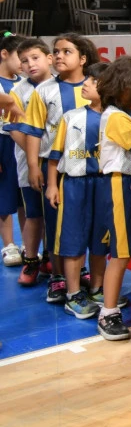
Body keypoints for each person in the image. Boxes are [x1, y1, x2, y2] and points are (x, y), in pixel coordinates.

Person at [16, 34, 100, 304]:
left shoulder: (97, 88)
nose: (60, 56)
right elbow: (34, 131)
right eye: (57, 51)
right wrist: (32, 165)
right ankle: (57, 276)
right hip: (53, 168)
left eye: (67, 51)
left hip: (91, 168)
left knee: (86, 223)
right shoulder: (45, 90)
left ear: (83, 58)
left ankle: (80, 270)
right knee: (55, 225)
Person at [46, 62, 109, 320]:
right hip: (74, 185)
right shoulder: (71, 117)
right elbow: (54, 155)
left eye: (92, 81)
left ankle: (96, 288)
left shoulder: (117, 118)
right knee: (72, 240)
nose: (86, 83)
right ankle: (73, 295)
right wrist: (52, 184)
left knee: (100, 241)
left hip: (104, 186)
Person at [94, 57, 131, 341]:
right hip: (119, 185)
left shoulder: (125, 113)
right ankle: (108, 312)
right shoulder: (115, 116)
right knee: (122, 252)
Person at [8, 39, 54, 287]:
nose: (29, 64)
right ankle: (31, 258)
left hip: (60, 165)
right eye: (24, 60)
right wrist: (37, 155)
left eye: (35, 57)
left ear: (49, 58)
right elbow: (13, 128)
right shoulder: (17, 92)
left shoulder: (62, 86)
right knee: (35, 214)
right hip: (30, 165)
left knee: (56, 216)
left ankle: (50, 256)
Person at [0, 35, 25, 268]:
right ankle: (8, 245)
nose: (24, 62)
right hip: (2, 143)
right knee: (4, 197)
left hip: (22, 143)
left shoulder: (24, 83)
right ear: (4, 54)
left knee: (25, 197)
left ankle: (29, 243)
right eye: (20, 57)